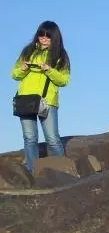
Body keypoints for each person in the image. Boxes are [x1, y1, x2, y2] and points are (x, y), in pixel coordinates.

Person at [11, 21, 71, 172]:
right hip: (25, 99)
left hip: (47, 101)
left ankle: (63, 172)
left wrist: (50, 70)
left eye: (48, 36)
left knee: (52, 138)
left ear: (54, 37)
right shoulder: (28, 51)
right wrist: (23, 68)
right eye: (41, 35)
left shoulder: (60, 55)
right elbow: (14, 74)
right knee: (29, 138)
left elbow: (64, 80)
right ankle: (33, 172)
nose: (43, 38)